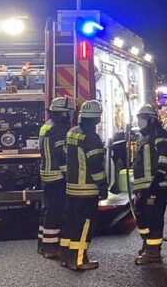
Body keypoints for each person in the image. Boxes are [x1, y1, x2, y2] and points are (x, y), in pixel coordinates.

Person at [62, 100, 107, 270]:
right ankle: (79, 260)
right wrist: (103, 186)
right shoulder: (92, 138)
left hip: (71, 187)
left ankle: (66, 257)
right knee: (85, 224)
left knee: (71, 222)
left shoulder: (72, 133)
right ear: (96, 119)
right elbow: (95, 166)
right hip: (87, 189)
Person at [132, 104, 167, 265]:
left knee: (154, 219)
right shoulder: (143, 137)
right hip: (144, 187)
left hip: (157, 186)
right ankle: (147, 244)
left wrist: (154, 188)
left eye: (141, 119)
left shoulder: (159, 135)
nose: (139, 122)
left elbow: (164, 161)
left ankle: (153, 253)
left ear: (150, 120)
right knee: (142, 217)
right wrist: (138, 189)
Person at [38, 96, 73, 259]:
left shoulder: (46, 126)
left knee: (47, 210)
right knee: (56, 211)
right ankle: (51, 248)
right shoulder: (59, 129)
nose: (70, 116)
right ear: (63, 114)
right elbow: (62, 154)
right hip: (57, 176)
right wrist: (68, 175)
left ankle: (43, 244)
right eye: (68, 113)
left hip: (46, 173)